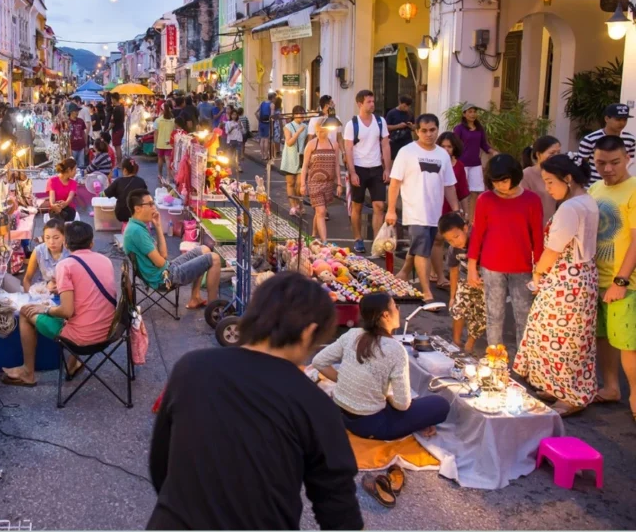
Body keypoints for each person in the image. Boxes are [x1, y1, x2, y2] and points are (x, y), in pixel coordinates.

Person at [148, 272, 361, 530]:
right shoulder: (317, 405)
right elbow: (340, 513)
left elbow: (161, 465)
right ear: (309, 333)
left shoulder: (191, 367)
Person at [513, 153, 599, 416]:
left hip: (566, 279)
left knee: (559, 338)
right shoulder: (587, 201)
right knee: (567, 338)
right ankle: (556, 386)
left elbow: (553, 249)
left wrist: (538, 272)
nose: (547, 188)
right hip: (581, 276)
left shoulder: (570, 208)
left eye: (551, 182)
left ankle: (570, 395)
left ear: (568, 178)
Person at [312, 291, 451, 440]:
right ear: (385, 315)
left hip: (341, 414)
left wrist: (348, 381)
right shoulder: (395, 349)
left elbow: (319, 361)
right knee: (440, 404)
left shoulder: (352, 334)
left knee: (412, 404)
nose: (398, 310)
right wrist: (387, 395)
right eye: (395, 306)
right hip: (370, 425)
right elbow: (402, 405)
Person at [3, 222, 116, 387]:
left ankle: (28, 372)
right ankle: (72, 364)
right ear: (92, 243)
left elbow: (67, 311)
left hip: (81, 338)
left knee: (25, 313)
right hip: (109, 332)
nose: (52, 241)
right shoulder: (106, 260)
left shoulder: (66, 265)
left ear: (66, 243)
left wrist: (46, 309)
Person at [467, 154, 543, 350]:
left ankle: (524, 362)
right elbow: (477, 234)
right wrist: (471, 267)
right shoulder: (485, 199)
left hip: (523, 267)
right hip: (491, 267)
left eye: (504, 181)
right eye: (495, 182)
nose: (500, 186)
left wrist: (539, 271)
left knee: (524, 315)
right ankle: (495, 359)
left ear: (515, 176)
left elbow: (538, 238)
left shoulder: (532, 200)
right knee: (494, 314)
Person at [385, 113, 462, 304]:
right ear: (417, 131)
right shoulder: (407, 152)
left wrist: (455, 209)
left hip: (435, 213)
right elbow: (395, 183)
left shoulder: (442, 154)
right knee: (422, 251)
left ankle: (402, 273)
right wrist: (391, 209)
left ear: (437, 129)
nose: (428, 134)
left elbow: (449, 185)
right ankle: (426, 292)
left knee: (422, 247)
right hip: (414, 212)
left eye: (432, 130)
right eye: (424, 131)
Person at [588, 135, 636, 420]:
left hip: (625, 283)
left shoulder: (634, 189)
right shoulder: (594, 189)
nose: (607, 169)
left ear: (627, 158)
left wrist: (621, 280)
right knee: (603, 337)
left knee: (628, 344)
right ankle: (611, 387)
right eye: (600, 163)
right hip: (597, 278)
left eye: (614, 162)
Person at [124, 189, 221, 309]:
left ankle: (195, 298)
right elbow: (160, 262)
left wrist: (158, 226)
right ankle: (214, 308)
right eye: (150, 204)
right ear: (137, 208)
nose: (153, 206)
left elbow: (163, 256)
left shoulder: (136, 226)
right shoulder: (137, 231)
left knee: (204, 249)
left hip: (165, 270)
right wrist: (173, 265)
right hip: (164, 278)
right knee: (214, 258)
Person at [343, 89, 391, 254]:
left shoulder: (380, 121)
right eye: (369, 102)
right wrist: (352, 172)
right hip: (359, 169)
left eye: (373, 101)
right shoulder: (352, 124)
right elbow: (348, 149)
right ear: (360, 104)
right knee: (357, 206)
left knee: (379, 205)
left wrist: (387, 168)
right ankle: (358, 238)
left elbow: (385, 144)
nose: (372, 104)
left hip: (376, 168)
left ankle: (378, 242)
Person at [439, 212, 485, 353]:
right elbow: (454, 271)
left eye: (456, 237)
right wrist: (453, 296)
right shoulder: (454, 250)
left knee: (481, 316)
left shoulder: (480, 242)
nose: (455, 242)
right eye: (450, 241)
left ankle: (469, 344)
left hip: (485, 285)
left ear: (465, 229)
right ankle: (456, 341)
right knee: (458, 309)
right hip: (465, 283)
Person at [431, 132, 471, 290]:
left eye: (449, 146)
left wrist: (465, 213)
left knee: (452, 241)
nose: (446, 149)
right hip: (436, 205)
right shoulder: (435, 162)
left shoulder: (459, 166)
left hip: (451, 207)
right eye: (443, 146)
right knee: (437, 239)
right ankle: (437, 272)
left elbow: (463, 191)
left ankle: (450, 270)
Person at [301, 110, 339, 242]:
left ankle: (313, 233)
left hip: (328, 182)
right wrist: (302, 184)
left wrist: (339, 183)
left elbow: (336, 165)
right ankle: (325, 241)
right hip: (314, 182)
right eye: (318, 131)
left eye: (322, 131)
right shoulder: (311, 145)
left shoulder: (334, 145)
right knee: (321, 211)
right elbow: (305, 165)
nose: (320, 134)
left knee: (320, 210)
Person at [453, 104, 496, 220]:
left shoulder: (479, 128)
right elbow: (454, 144)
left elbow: (483, 144)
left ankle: (472, 219)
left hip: (475, 163)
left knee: (475, 191)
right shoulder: (459, 128)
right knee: (460, 191)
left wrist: (493, 152)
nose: (473, 114)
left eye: (474, 112)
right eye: (470, 111)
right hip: (462, 163)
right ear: (464, 114)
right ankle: (459, 216)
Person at [577, 103, 636, 183]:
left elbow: (628, 163)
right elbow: (581, 164)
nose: (622, 123)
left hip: (619, 185)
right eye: (618, 119)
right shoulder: (590, 139)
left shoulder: (630, 139)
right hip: (593, 185)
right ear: (607, 119)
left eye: (625, 120)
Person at [520, 135, 562, 224]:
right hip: (533, 227)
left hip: (553, 228)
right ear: (538, 154)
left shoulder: (559, 174)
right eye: (552, 153)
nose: (556, 156)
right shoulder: (526, 175)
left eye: (558, 152)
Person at [22, 218, 71, 292]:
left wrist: (63, 288)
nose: (51, 242)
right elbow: (27, 279)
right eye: (47, 238)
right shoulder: (38, 251)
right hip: (43, 291)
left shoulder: (70, 252)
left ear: (64, 237)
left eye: (56, 238)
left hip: (66, 291)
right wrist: (30, 298)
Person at [280, 106, 308, 216]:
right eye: (299, 113)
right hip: (290, 157)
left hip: (301, 158)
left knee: (300, 183)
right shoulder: (288, 126)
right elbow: (289, 142)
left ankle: (300, 204)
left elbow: (307, 142)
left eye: (302, 113)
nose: (301, 115)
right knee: (290, 183)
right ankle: (292, 206)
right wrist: (298, 131)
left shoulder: (306, 126)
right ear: (294, 114)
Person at [104, 157, 147, 223]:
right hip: (138, 213)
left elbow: (105, 194)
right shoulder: (141, 181)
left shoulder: (118, 181)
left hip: (122, 214)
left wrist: (108, 180)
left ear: (125, 170)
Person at [385, 95, 416, 163]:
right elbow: (386, 127)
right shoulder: (392, 113)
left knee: (408, 159)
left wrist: (411, 126)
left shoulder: (410, 113)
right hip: (395, 140)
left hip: (407, 140)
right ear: (400, 103)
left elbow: (415, 127)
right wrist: (398, 126)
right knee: (394, 159)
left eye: (408, 106)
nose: (406, 108)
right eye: (405, 106)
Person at [154, 105, 176, 182]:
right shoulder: (173, 121)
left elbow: (156, 133)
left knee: (160, 159)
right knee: (168, 160)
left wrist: (155, 144)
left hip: (160, 143)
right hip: (169, 143)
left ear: (161, 110)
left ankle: (160, 174)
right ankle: (168, 177)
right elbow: (174, 132)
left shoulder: (157, 120)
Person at [109, 93, 126, 165]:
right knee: (118, 146)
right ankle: (119, 163)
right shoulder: (122, 107)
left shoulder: (116, 109)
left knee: (117, 147)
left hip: (116, 130)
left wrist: (107, 129)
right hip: (121, 128)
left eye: (112, 99)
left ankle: (119, 163)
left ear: (115, 99)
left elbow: (113, 123)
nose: (111, 101)